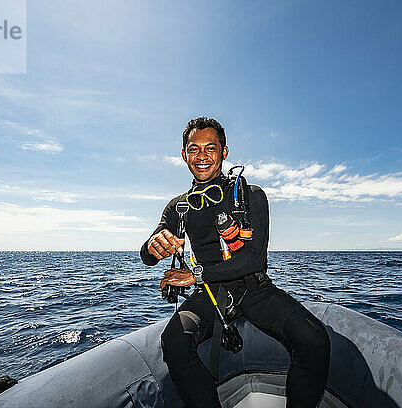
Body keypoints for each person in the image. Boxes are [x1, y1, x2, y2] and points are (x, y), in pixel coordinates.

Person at [140, 117, 330, 408]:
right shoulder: (179, 207)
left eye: (210, 148)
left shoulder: (251, 195)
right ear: (183, 155)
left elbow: (254, 259)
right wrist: (154, 247)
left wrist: (195, 276)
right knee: (175, 341)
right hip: (210, 295)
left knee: (314, 340)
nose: (201, 157)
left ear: (224, 152)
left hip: (255, 289)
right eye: (194, 149)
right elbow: (147, 255)